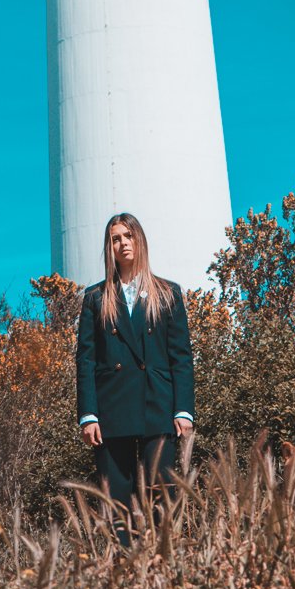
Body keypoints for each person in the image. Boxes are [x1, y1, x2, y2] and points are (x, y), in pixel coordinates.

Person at [76, 212, 194, 536]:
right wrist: (88, 414)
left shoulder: (167, 293)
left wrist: (183, 409)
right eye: (116, 238)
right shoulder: (96, 298)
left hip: (158, 405)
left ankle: (164, 568)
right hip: (112, 409)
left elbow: (181, 357)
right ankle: (126, 572)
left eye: (128, 236)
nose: (123, 243)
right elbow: (85, 360)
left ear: (139, 240)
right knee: (117, 502)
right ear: (109, 246)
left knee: (163, 494)